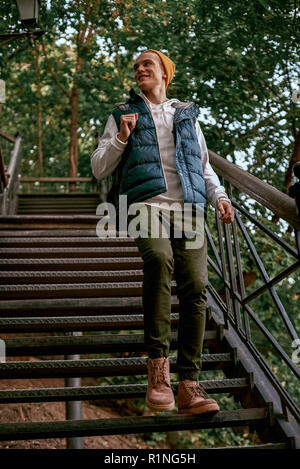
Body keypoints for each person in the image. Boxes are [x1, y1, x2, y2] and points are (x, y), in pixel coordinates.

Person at [91, 49, 235, 415]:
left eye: (147, 65)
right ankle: (158, 372)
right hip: (144, 204)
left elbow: (203, 165)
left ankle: (189, 384)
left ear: (164, 74)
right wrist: (122, 137)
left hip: (189, 208)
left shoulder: (186, 116)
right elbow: (98, 167)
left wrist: (218, 195)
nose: (140, 69)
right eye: (136, 66)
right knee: (158, 257)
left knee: (197, 286)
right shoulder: (122, 114)